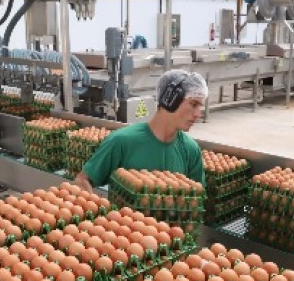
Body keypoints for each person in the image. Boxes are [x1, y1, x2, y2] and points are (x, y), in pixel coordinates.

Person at [76, 69, 206, 191]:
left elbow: (196, 197)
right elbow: (82, 180)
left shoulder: (191, 150)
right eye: (193, 104)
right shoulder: (122, 141)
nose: (198, 114)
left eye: (200, 107)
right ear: (170, 100)